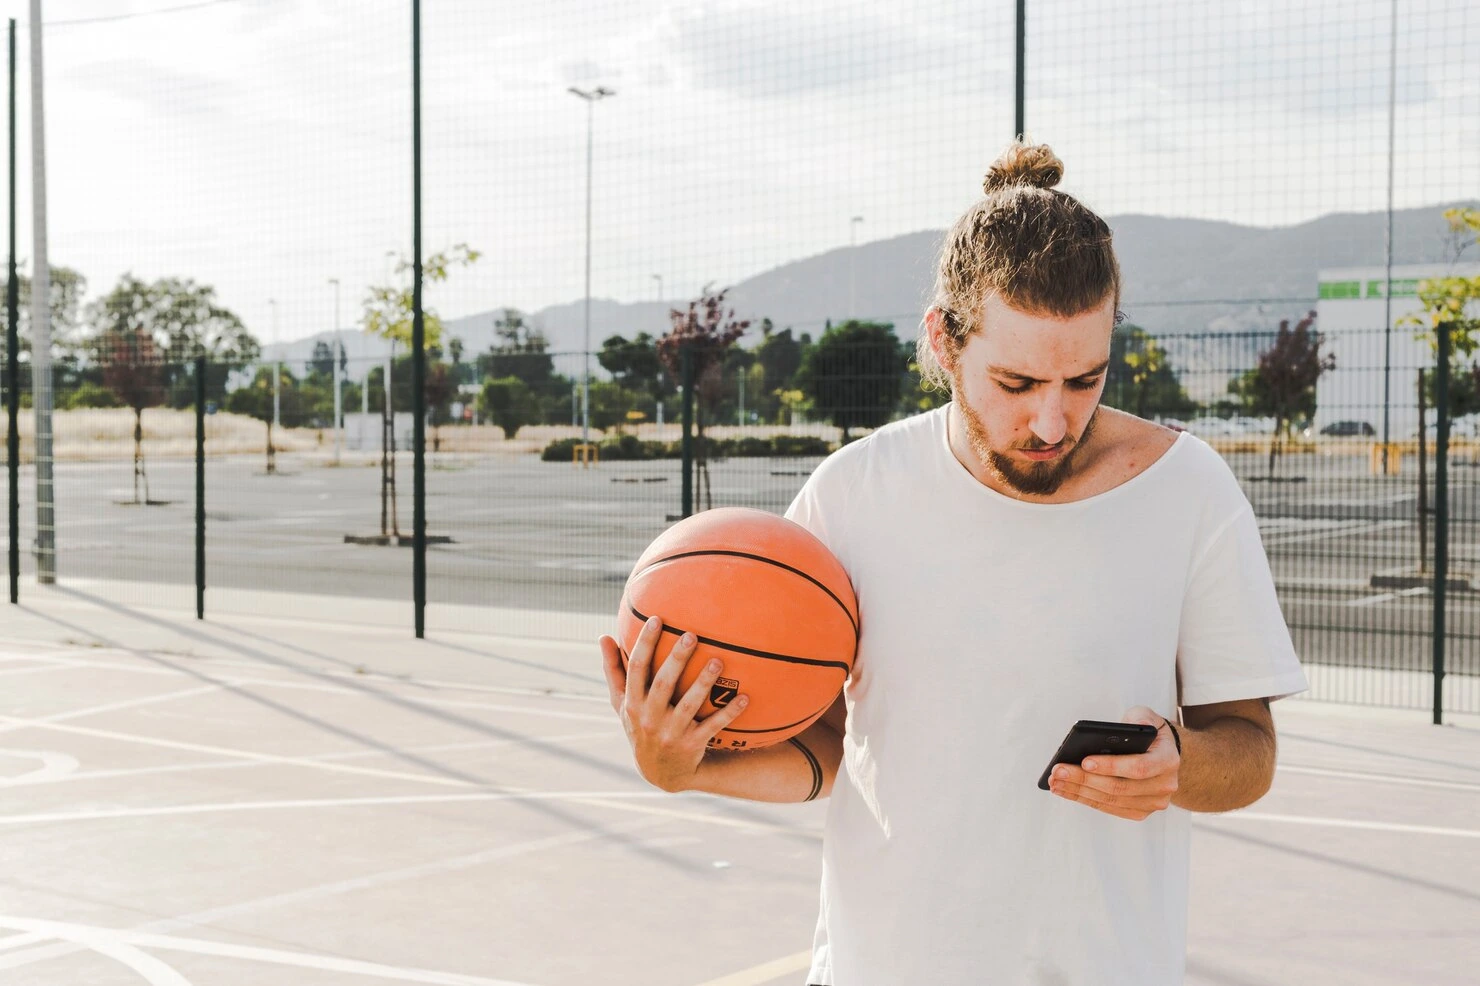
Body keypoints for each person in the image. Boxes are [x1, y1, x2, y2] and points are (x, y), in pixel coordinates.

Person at [598, 140, 1308, 985]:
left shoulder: (1188, 490)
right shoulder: (852, 495)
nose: (1053, 421)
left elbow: (1251, 751)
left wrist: (1180, 766)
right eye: (1015, 384)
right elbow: (826, 748)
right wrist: (682, 765)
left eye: (1085, 379)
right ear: (943, 341)